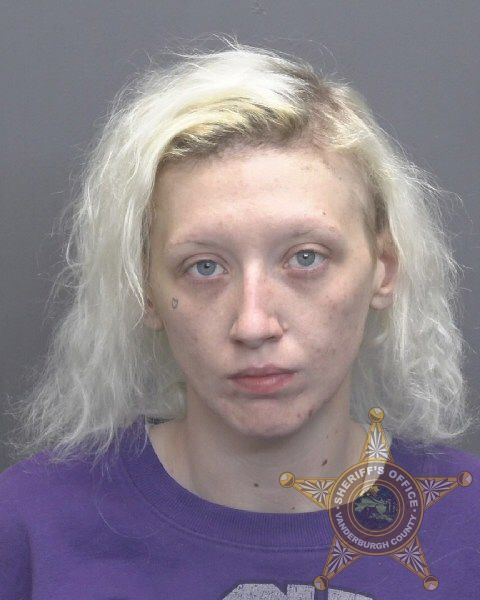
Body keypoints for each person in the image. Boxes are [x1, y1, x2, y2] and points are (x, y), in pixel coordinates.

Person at [1, 38, 479, 599]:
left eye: (306, 258)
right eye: (204, 266)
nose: (253, 324)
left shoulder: (467, 528)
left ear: (383, 269)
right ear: (145, 290)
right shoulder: (29, 527)